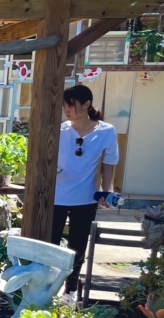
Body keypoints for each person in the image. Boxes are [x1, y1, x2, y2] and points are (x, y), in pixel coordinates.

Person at [50, 85, 119, 296]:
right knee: (50, 245)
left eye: (70, 104)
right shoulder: (59, 130)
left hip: (85, 198)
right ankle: (47, 287)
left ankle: (70, 292)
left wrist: (107, 191)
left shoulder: (106, 131)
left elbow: (109, 164)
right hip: (55, 197)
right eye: (64, 105)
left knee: (78, 247)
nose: (66, 109)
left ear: (87, 104)